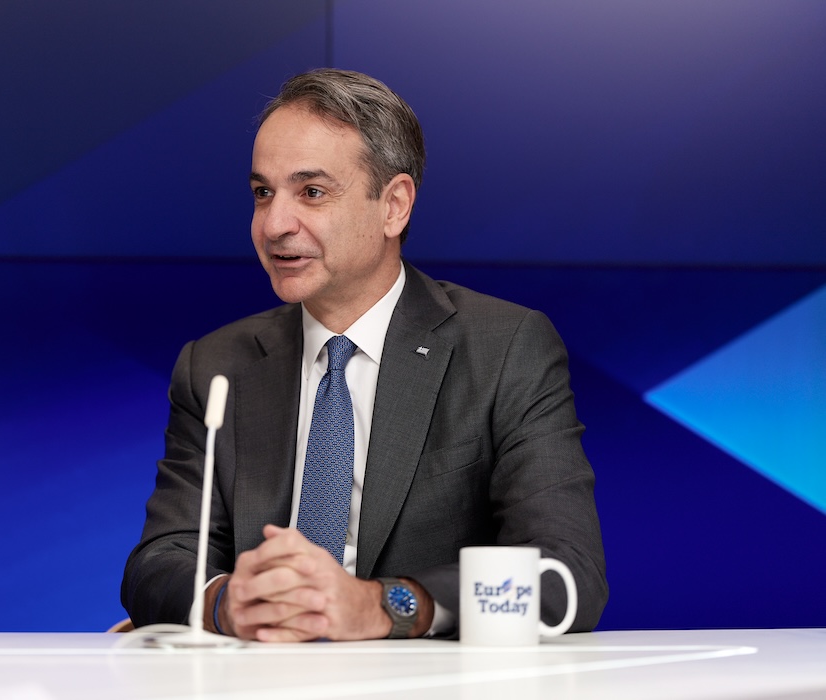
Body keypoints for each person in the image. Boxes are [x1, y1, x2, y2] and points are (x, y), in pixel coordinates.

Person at [121, 68, 607, 641]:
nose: (274, 224)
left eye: (312, 192)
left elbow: (564, 575)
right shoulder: (215, 365)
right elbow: (159, 561)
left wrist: (383, 605)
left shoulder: (504, 349)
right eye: (262, 193)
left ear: (394, 206)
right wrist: (228, 603)